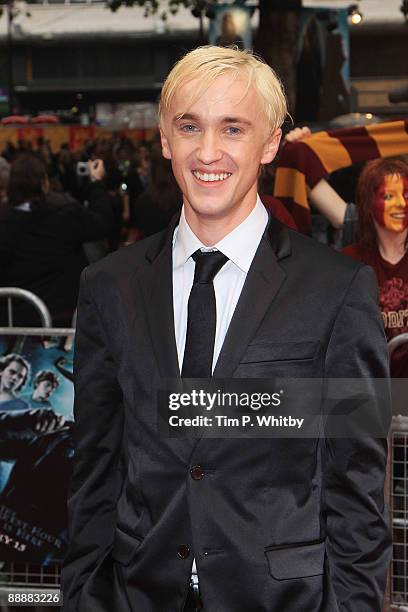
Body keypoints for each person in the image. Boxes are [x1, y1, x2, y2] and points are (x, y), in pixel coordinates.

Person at [62, 46, 391, 612]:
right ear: (165, 139)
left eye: (232, 128)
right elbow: (96, 464)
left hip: (284, 599)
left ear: (269, 143)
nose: (207, 152)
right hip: (136, 593)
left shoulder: (336, 291)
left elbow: (357, 488)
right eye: (190, 126)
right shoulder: (108, 286)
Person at [0, 154, 115, 327]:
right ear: (44, 183)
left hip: (13, 318)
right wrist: (96, 183)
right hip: (62, 315)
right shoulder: (65, 212)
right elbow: (103, 224)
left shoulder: (5, 217)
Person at [342, 158, 408, 376]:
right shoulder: (349, 263)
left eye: (406, 195)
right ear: (368, 204)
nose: (401, 203)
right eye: (389, 196)